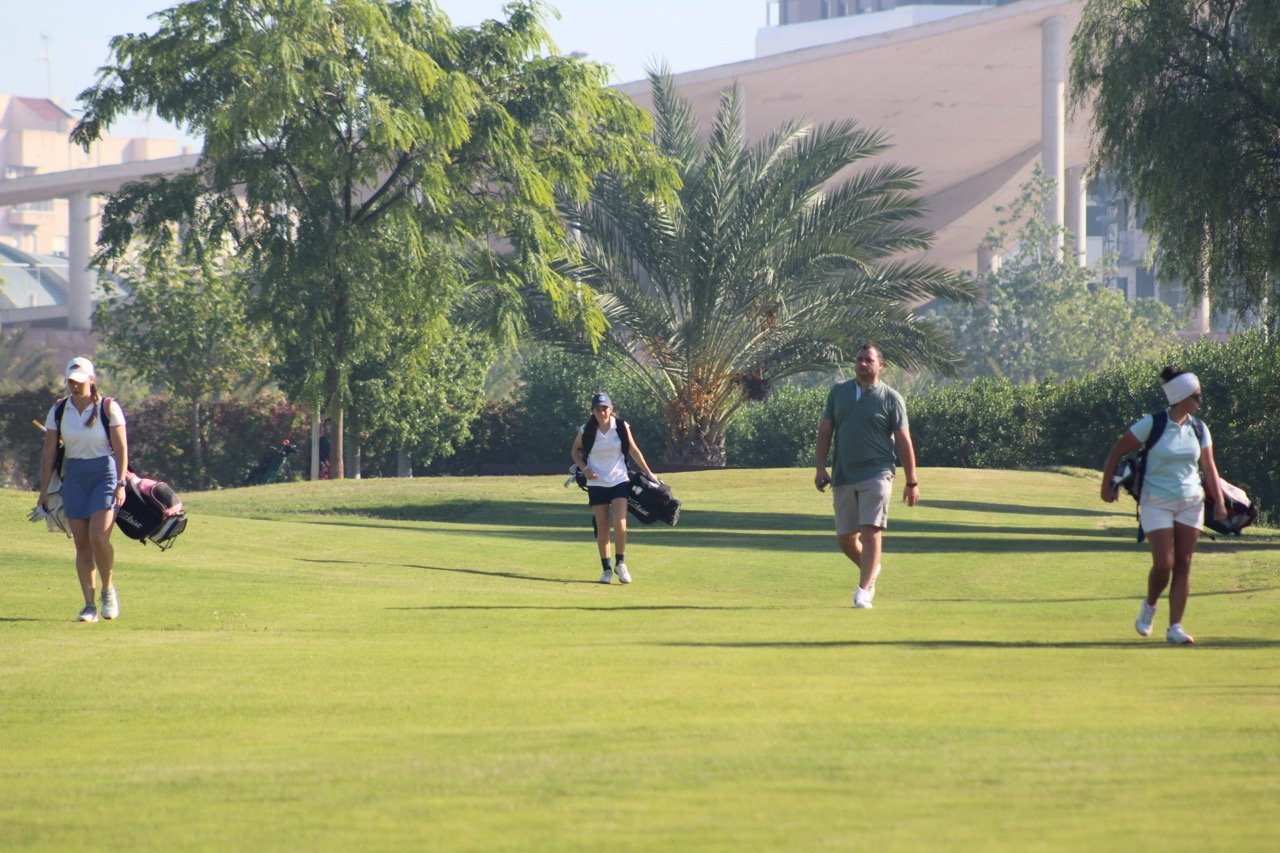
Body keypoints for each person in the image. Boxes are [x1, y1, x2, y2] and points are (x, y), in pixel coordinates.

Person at [1101, 367, 1226, 645]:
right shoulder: (1152, 424)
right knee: (1164, 563)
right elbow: (1117, 451)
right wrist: (1106, 486)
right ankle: (1150, 604)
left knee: (1183, 562)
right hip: (1155, 502)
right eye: (1196, 396)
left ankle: (1175, 627)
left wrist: (1218, 501)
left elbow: (1209, 466)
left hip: (1191, 502)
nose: (1200, 401)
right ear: (1181, 398)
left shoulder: (1199, 428)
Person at [814, 343, 920, 608]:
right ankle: (871, 569)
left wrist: (911, 481)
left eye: (868, 360)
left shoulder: (891, 398)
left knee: (871, 530)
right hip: (843, 475)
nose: (863, 364)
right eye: (859, 359)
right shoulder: (839, 392)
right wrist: (819, 468)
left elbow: (904, 441)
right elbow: (825, 431)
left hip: (878, 474)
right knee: (845, 539)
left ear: (880, 365)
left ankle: (863, 591)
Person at [38, 357, 130, 623]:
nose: (74, 387)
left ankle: (107, 590)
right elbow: (49, 452)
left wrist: (121, 482)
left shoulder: (108, 408)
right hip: (74, 477)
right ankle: (89, 606)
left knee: (98, 538)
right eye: (70, 382)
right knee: (82, 545)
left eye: (79, 382)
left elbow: (122, 449)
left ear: (91, 380)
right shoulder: (58, 410)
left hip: (104, 475)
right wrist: (44, 490)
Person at [570, 392, 659, 585]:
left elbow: (634, 450)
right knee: (602, 526)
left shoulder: (620, 427)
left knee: (620, 523)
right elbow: (575, 451)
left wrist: (650, 474)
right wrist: (585, 469)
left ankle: (621, 563)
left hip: (619, 480)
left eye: (605, 408)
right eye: (598, 409)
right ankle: (606, 569)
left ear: (611, 409)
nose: (602, 412)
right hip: (596, 483)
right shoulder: (587, 430)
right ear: (593, 411)